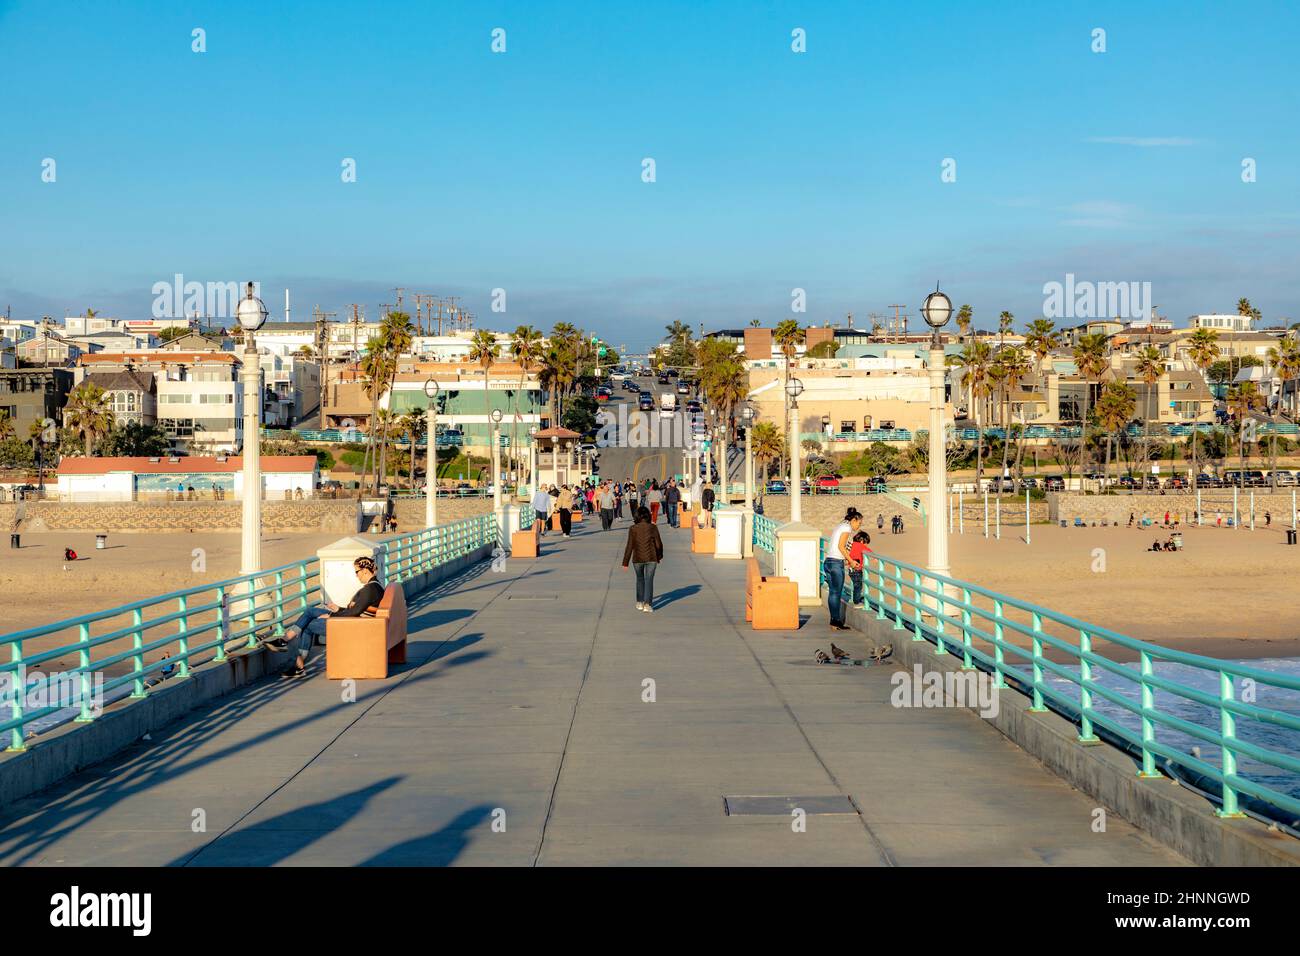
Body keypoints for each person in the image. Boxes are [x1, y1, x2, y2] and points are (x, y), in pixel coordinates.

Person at [266, 556, 385, 676]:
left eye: (357, 572)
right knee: (310, 611)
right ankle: (286, 641)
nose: (356, 575)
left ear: (365, 571)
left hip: (351, 626)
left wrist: (332, 616)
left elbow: (353, 613)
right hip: (352, 621)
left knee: (307, 625)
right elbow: (356, 610)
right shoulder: (376, 586)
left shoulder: (369, 589)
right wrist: (338, 609)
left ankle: (294, 657)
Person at [622, 505, 664, 612]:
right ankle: (647, 604)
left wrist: (625, 562)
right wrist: (659, 556)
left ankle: (639, 602)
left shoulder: (633, 529)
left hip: (638, 558)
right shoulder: (653, 527)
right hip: (651, 557)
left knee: (640, 579)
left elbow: (629, 545)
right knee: (649, 580)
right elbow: (659, 544)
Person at [825, 508, 861, 631]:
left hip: (828, 561)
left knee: (832, 592)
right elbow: (841, 546)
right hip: (835, 563)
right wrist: (851, 561)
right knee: (836, 593)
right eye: (859, 523)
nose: (859, 526)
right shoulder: (846, 528)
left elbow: (835, 546)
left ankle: (834, 621)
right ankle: (835, 622)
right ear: (853, 520)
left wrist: (845, 561)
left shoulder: (840, 525)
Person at [847, 531, 871, 608]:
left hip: (850, 569)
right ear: (862, 541)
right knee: (858, 586)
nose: (866, 545)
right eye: (866, 543)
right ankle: (856, 602)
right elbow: (869, 552)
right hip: (857, 569)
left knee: (856, 584)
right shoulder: (860, 545)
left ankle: (856, 599)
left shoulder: (852, 544)